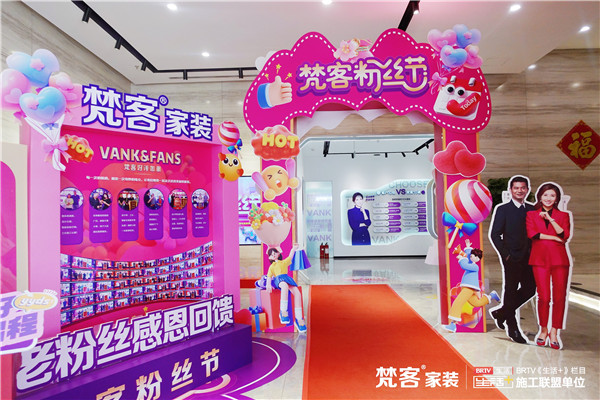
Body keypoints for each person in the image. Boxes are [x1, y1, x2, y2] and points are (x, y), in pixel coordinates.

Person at [488, 175, 536, 344]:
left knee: (530, 289)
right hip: (511, 257)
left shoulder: (532, 209)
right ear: (510, 190)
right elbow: (495, 234)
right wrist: (506, 254)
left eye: (523, 188)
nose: (519, 191)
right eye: (516, 188)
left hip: (530, 257)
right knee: (510, 290)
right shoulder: (503, 209)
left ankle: (501, 312)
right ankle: (512, 328)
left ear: (527, 190)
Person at [526, 182, 572, 350]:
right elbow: (532, 234)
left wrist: (550, 219)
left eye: (552, 195)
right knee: (544, 297)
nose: (548, 198)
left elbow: (564, 235)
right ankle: (543, 329)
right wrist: (552, 238)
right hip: (539, 260)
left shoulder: (564, 215)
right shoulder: (532, 214)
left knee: (559, 297)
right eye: (545, 195)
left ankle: (554, 332)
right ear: (540, 196)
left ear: (557, 198)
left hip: (560, 260)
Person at [442, 240, 500, 333]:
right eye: (472, 255)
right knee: (476, 303)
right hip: (467, 287)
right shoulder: (471, 262)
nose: (471, 256)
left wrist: (461, 258)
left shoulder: (475, 267)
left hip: (469, 288)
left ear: (477, 258)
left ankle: (453, 325)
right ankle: (491, 296)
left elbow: (464, 265)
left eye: (474, 256)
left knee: (458, 302)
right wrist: (468, 247)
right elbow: (468, 256)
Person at [265, 244, 306, 332]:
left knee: (297, 293)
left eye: (275, 253)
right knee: (284, 286)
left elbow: (290, 256)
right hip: (279, 279)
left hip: (286, 278)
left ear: (278, 253)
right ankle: (283, 311)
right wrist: (268, 284)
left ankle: (299, 318)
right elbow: (269, 276)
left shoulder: (284, 262)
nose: (273, 255)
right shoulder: (272, 267)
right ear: (270, 258)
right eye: (271, 255)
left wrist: (294, 248)